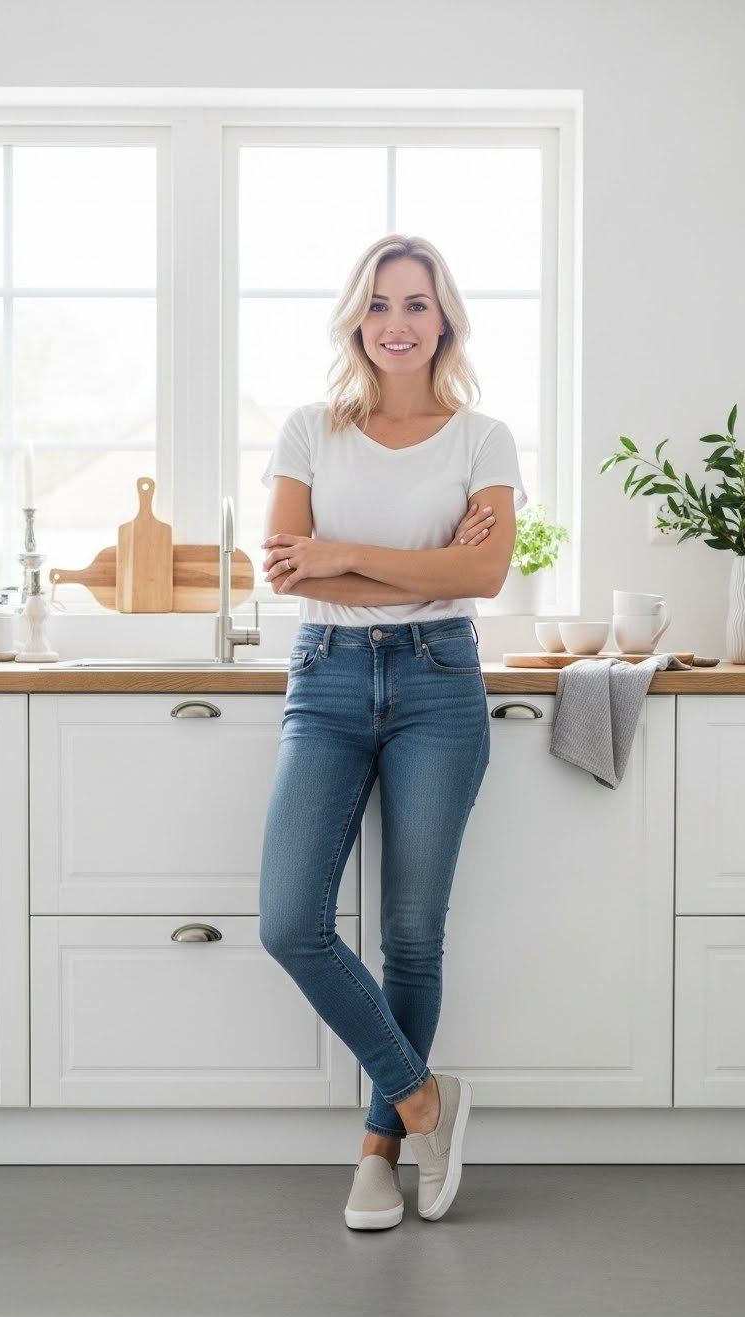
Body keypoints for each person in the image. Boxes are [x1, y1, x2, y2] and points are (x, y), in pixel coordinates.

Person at [258, 233, 528, 1230]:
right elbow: (285, 569)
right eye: (378, 305)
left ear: (444, 319)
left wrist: (341, 557)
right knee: (290, 920)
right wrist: (409, 567)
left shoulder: (483, 439)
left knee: (413, 934)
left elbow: (481, 577)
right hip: (326, 679)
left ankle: (378, 1155)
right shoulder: (309, 430)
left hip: (439, 682)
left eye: (416, 304)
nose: (396, 323)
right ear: (356, 320)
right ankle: (423, 1101)